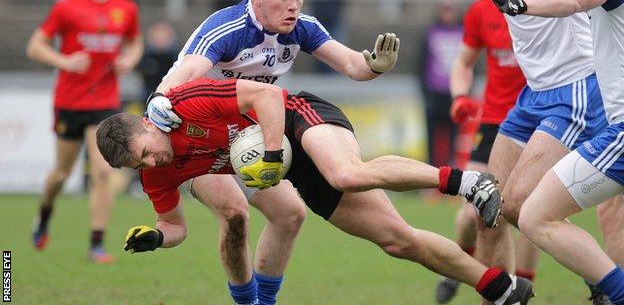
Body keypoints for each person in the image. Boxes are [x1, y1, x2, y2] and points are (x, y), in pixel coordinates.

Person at [142, 0, 504, 304]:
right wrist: (160, 95)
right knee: (235, 212)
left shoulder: (301, 26)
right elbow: (186, 68)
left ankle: (500, 286)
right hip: (202, 141)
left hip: (254, 138)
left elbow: (352, 65)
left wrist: (374, 65)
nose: (293, 5)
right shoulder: (230, 28)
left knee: (302, 215)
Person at [97, 77, 535, 305]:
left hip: (297, 118)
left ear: (147, 125)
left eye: (145, 152)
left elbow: (268, 96)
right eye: (139, 165)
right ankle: (498, 287)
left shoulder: (185, 103)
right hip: (293, 168)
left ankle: (468, 182)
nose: (151, 164)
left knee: (347, 173)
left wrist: (269, 153)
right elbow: (173, 225)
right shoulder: (157, 174)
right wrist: (157, 237)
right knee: (397, 241)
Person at [477, 0, 624, 303]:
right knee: (493, 206)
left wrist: (520, 4)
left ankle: (605, 281)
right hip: (532, 95)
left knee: (530, 210)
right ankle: (503, 297)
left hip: (574, 91)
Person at [25, 0, 143, 263]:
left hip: (104, 103)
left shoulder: (126, 8)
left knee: (103, 172)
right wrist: (65, 61)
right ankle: (44, 215)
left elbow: (135, 42)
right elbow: (35, 46)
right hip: (70, 101)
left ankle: (96, 244)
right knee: (62, 173)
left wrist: (129, 60)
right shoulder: (67, 7)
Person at [435, 0, 533, 304]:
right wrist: (460, 95)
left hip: (541, 121)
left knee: (530, 214)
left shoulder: (550, 4)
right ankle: (457, 266)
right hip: (493, 124)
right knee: (471, 215)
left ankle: (516, 291)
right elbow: (463, 63)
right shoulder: (481, 9)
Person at [417, 0, 464, 167]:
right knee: (431, 137)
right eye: (444, 9)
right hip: (433, 92)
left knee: (453, 137)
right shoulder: (430, 32)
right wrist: (424, 91)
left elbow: (471, 64)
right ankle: (430, 174)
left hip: (454, 93)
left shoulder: (464, 32)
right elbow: (421, 63)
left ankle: (450, 174)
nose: (447, 13)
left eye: (450, 9)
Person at [307, 0, 361, 74]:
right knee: (320, 56)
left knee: (339, 57)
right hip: (318, 17)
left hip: (336, 16)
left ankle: (336, 88)